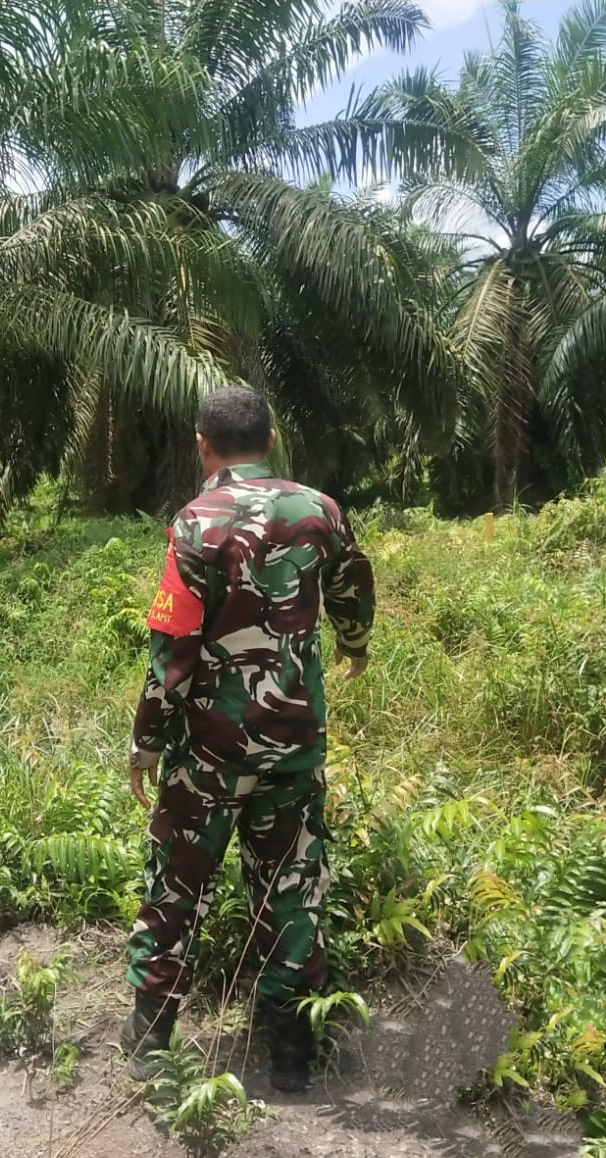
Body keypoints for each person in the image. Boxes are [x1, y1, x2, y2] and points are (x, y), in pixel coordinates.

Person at [119, 385, 377, 1091]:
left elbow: (172, 648)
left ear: (203, 445)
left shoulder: (196, 522)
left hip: (209, 750)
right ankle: (291, 1055)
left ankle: (150, 1042)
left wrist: (146, 740)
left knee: (176, 888)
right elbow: (354, 588)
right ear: (271, 440)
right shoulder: (320, 510)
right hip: (294, 743)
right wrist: (353, 643)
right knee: (291, 890)